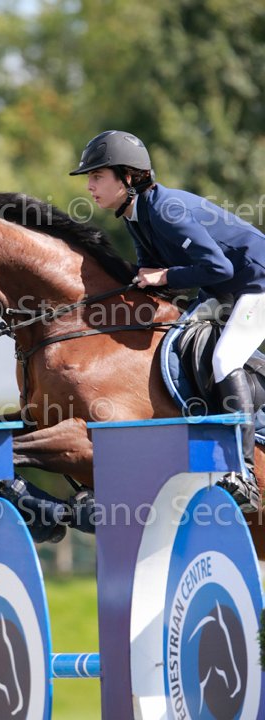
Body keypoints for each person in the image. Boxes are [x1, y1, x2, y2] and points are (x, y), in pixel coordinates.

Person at [70, 129, 265, 512]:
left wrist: (165, 276)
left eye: (97, 176)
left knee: (225, 358)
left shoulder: (164, 209)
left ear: (127, 177)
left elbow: (218, 267)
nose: (90, 186)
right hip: (225, 289)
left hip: (256, 284)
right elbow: (150, 271)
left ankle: (243, 472)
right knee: (175, 338)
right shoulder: (135, 215)